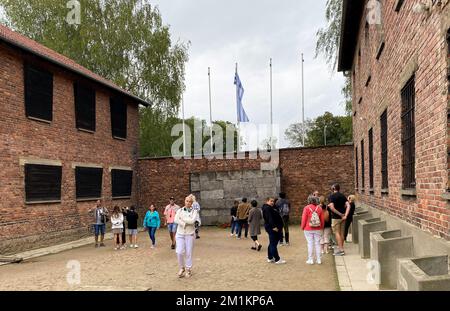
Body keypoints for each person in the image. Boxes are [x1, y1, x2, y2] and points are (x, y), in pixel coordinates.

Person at [174, 195, 199, 278]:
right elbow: (176, 219)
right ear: (184, 201)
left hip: (190, 234)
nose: (188, 202)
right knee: (179, 251)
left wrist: (182, 219)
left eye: (189, 201)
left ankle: (188, 269)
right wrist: (184, 223)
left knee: (188, 252)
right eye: (186, 201)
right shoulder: (180, 210)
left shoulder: (194, 211)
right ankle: (182, 267)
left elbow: (192, 221)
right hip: (180, 233)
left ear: (192, 203)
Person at [328, 184, 350, 256]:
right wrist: (345, 215)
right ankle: (341, 248)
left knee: (337, 233)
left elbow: (332, 207)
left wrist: (340, 214)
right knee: (342, 233)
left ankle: (341, 250)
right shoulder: (342, 196)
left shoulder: (331, 196)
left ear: (333, 188)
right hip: (343, 218)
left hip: (335, 218)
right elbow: (348, 205)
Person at [301, 195, 325, 265]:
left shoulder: (306, 208)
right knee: (317, 243)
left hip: (308, 228)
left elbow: (304, 219)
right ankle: (319, 259)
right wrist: (322, 227)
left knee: (310, 243)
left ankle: (310, 259)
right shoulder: (319, 208)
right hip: (318, 228)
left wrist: (302, 227)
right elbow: (322, 219)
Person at [262, 197, 286, 264]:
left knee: (272, 243)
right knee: (273, 244)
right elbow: (269, 218)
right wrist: (274, 227)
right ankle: (277, 259)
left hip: (273, 227)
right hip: (272, 228)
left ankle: (270, 257)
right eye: (271, 201)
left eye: (273, 201)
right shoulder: (267, 208)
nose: (272, 202)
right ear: (267, 201)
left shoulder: (270, 207)